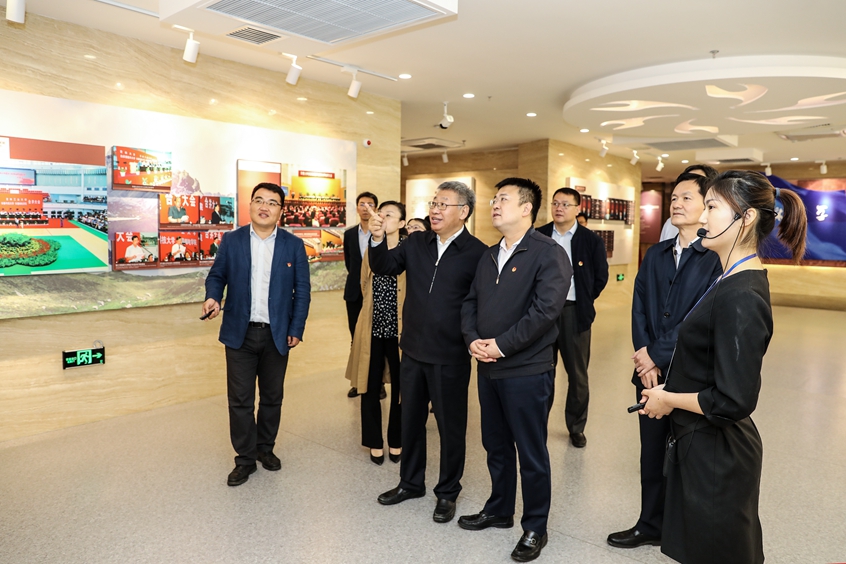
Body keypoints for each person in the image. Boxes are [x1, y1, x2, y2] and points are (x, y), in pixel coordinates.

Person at [639, 170, 806, 563]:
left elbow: (733, 399)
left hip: (717, 455)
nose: (701, 216)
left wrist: (668, 398)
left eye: (711, 207)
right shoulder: (728, 278)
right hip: (699, 445)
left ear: (745, 217)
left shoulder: (741, 294)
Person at [607, 166, 721, 549]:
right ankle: (649, 523)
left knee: (690, 455)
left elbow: (700, 315)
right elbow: (639, 306)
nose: (677, 203)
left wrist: (656, 354)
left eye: (687, 197)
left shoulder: (714, 257)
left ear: (707, 205)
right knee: (652, 453)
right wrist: (645, 360)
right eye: (674, 197)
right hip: (650, 375)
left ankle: (685, 529)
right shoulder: (655, 254)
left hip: (690, 375)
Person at [459, 178, 571, 562]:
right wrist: (473, 339)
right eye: (494, 198)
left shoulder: (549, 253)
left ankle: (535, 526)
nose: (494, 204)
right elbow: (470, 301)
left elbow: (544, 312)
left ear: (526, 208)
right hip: (487, 367)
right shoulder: (490, 254)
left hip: (526, 370)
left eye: (503, 199)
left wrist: (501, 345)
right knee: (495, 445)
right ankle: (499, 509)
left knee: (530, 451)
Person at [370, 181, 487, 524]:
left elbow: (481, 304)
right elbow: (385, 266)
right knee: (410, 422)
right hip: (413, 351)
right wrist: (377, 238)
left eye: (443, 204)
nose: (434, 210)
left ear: (463, 212)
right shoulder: (416, 242)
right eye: (433, 203)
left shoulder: (478, 253)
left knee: (451, 428)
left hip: (451, 355)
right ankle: (410, 483)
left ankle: (447, 492)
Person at [202, 182, 311, 487]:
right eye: (259, 200)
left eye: (272, 202)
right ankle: (245, 459)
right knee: (240, 400)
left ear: (281, 211)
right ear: (250, 205)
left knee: (272, 397)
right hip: (240, 333)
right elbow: (217, 275)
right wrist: (213, 297)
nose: (265, 206)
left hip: (277, 334)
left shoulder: (293, 245)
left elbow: (302, 291)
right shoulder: (232, 240)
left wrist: (296, 328)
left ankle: (265, 448)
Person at [537, 188, 609, 448]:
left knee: (577, 375)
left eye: (565, 204)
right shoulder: (539, 235)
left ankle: (576, 427)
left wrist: (584, 299)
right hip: (541, 314)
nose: (559, 208)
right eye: (555, 203)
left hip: (574, 313)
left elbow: (600, 276)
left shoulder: (590, 240)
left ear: (577, 209)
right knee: (541, 372)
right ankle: (537, 424)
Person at [345, 201, 407, 466]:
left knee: (403, 388)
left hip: (402, 331)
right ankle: (374, 441)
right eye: (380, 214)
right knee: (369, 385)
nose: (382, 218)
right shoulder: (371, 249)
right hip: (372, 328)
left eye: (389, 215)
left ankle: (397, 439)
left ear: (402, 223)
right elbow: (363, 283)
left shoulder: (409, 251)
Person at [343, 191, 379, 398]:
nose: (366, 208)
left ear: (376, 208)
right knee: (355, 338)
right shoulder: (349, 234)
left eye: (370, 204)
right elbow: (350, 263)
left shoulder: (381, 232)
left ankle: (377, 383)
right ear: (357, 208)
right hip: (354, 293)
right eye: (362, 204)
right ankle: (358, 382)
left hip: (377, 293)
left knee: (376, 339)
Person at [659, 165, 718, 242]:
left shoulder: (718, 244)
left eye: (686, 198)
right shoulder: (669, 224)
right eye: (674, 199)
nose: (676, 205)